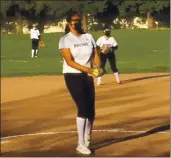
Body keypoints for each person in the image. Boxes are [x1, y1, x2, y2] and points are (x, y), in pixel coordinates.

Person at [59, 11, 102, 155]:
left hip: (87, 76)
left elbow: (96, 54)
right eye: (74, 20)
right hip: (72, 76)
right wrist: (89, 70)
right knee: (82, 107)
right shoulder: (65, 40)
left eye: (79, 20)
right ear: (68, 23)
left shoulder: (88, 36)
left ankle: (87, 136)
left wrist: (98, 67)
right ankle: (80, 144)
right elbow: (69, 61)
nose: (77, 22)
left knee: (91, 110)